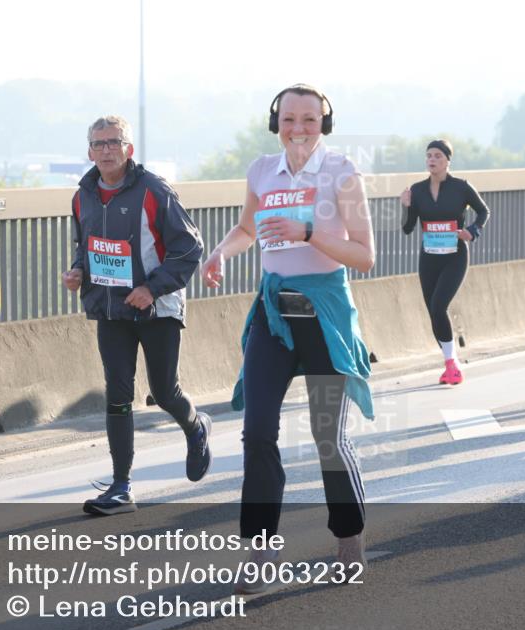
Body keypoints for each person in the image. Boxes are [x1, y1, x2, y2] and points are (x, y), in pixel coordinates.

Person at [200, 84, 375, 590]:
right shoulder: (261, 169)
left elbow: (365, 255)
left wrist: (308, 235)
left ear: (325, 125)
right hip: (274, 314)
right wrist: (221, 253)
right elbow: (247, 228)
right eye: (289, 119)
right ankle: (259, 550)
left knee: (328, 440)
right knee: (257, 434)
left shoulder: (341, 171)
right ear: (275, 121)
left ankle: (348, 539)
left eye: (310, 121)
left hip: (324, 314)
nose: (298, 129)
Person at [62, 115, 209, 516]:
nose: (107, 149)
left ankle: (196, 427)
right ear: (89, 152)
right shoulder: (82, 196)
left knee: (164, 392)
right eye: (99, 143)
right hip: (110, 309)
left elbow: (188, 248)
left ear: (129, 149)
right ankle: (121, 486)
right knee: (118, 395)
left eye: (114, 142)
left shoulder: (154, 190)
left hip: (157, 308)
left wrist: (152, 288)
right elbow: (87, 246)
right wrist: (78, 272)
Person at [400, 139, 489, 385]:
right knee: (433, 312)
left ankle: (453, 365)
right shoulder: (417, 190)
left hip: (455, 256)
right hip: (429, 258)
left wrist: (472, 230)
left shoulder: (461, 187)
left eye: (438, 155)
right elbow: (407, 228)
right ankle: (449, 363)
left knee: (439, 306)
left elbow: (484, 211)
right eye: (429, 155)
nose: (432, 160)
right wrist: (406, 207)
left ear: (448, 160)